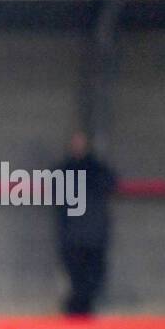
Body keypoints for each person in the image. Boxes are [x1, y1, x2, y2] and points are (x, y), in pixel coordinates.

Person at [56, 130, 118, 316]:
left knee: (93, 276)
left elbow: (111, 183)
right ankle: (78, 309)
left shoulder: (97, 169)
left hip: (93, 234)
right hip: (73, 235)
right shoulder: (64, 170)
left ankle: (79, 308)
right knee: (77, 276)